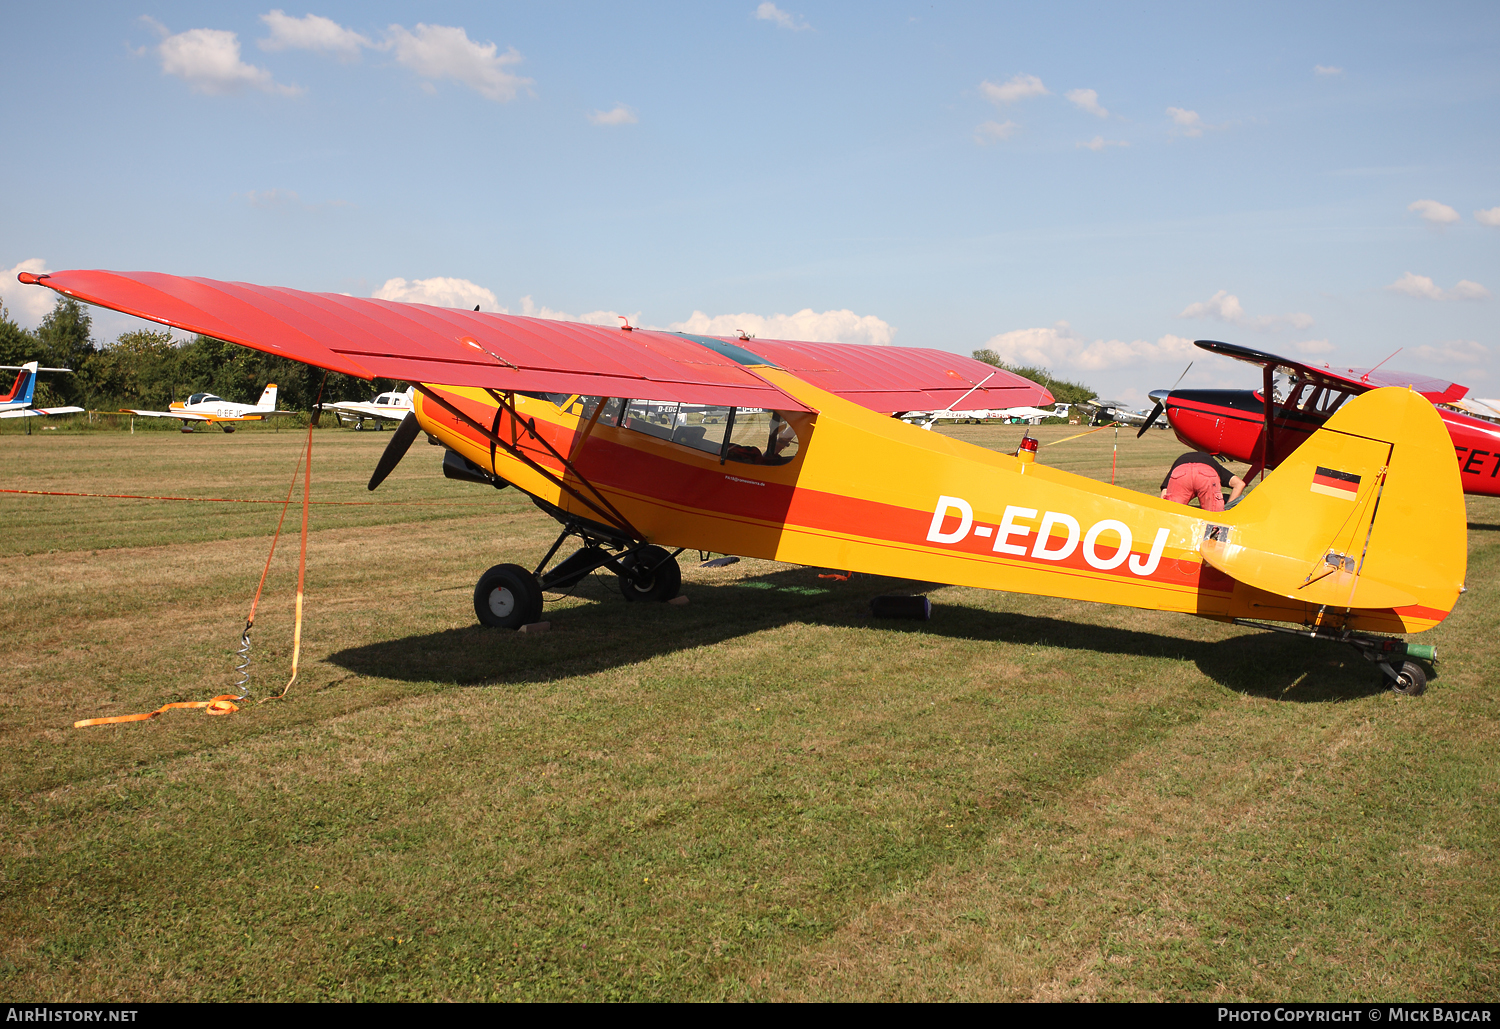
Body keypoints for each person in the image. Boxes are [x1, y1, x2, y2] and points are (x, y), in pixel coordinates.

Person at [1160, 452, 1245, 511]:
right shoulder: (1215, 465)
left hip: (1181, 472)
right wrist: (1227, 508)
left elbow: (1165, 492)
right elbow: (1240, 484)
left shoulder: (1181, 460)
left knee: (1172, 514)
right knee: (1214, 521)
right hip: (1206, 473)